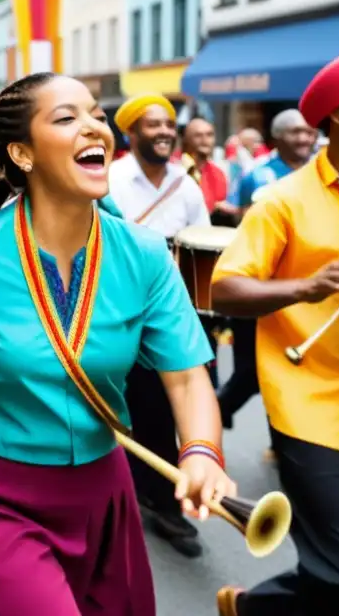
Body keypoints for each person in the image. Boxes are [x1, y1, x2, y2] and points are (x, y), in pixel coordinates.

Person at [0, 73, 233, 615]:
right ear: (22, 153)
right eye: (67, 118)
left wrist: (202, 451)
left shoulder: (144, 255)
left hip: (101, 497)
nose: (94, 126)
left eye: (96, 113)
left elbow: (186, 377)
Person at [211, 45, 339, 616]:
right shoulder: (281, 201)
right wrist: (305, 287)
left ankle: (254, 610)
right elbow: (224, 288)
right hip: (309, 403)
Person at [107, 93, 213, 557]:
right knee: (132, 411)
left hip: (174, 312)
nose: (166, 131)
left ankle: (164, 505)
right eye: (153, 125)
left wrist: (206, 312)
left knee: (172, 410)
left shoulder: (186, 185)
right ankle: (134, 500)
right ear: (131, 133)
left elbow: (206, 245)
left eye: (170, 124)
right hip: (119, 311)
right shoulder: (110, 179)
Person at [218, 108, 316, 434]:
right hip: (263, 290)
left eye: (307, 132)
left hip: (308, 290)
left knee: (295, 367)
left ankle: (282, 442)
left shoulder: (322, 172)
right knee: (250, 371)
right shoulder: (257, 176)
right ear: (277, 138)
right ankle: (213, 416)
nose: (304, 138)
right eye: (295, 132)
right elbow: (243, 224)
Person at [182, 116, 238, 225]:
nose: (205, 139)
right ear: (186, 139)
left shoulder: (217, 173)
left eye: (209, 135)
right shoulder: (177, 168)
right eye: (198, 135)